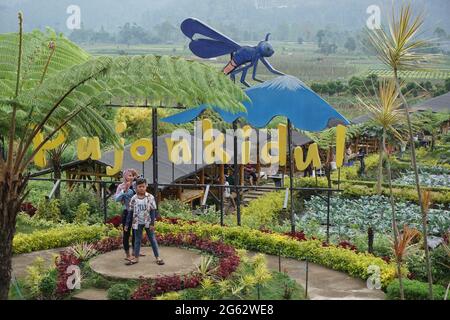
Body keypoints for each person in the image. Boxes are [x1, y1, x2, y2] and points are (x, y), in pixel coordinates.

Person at [125, 178, 164, 266]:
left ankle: (158, 257)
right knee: (137, 240)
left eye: (143, 186)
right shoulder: (134, 198)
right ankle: (136, 258)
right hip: (137, 223)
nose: (141, 188)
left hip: (148, 222)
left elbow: (153, 210)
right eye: (139, 187)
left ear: (146, 186)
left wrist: (152, 223)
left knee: (152, 240)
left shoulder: (150, 197)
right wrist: (127, 224)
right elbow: (130, 212)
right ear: (136, 188)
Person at [115, 168, 139, 262]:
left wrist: (136, 175)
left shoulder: (135, 185)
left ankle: (134, 252)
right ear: (124, 176)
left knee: (136, 232)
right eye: (129, 175)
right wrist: (125, 190)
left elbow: (144, 183)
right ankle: (127, 254)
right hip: (127, 212)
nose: (131, 177)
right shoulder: (121, 186)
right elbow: (116, 199)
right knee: (126, 233)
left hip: (136, 212)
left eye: (132, 175)